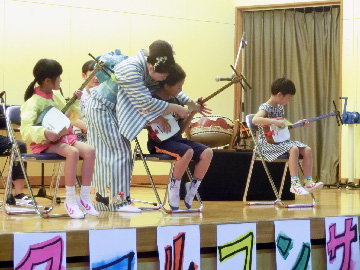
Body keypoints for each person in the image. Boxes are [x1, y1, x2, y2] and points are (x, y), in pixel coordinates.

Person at [86, 40, 190, 212]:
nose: (164, 79)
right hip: (102, 108)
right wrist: (176, 107)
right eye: (162, 76)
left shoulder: (152, 65)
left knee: (108, 156)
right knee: (118, 153)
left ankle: (105, 202)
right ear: (151, 68)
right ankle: (117, 202)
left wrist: (188, 102)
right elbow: (144, 101)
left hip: (110, 109)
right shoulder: (130, 68)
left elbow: (170, 85)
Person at [20, 59, 99, 219]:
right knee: (73, 153)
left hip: (62, 138)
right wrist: (44, 132)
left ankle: (84, 197)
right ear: (47, 80)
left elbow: (68, 117)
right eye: (58, 77)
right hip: (44, 143)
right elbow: (26, 131)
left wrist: (74, 101)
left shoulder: (56, 95)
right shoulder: (32, 102)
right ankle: (70, 200)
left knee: (90, 151)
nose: (61, 80)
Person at [147, 64, 213, 210]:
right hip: (159, 143)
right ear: (166, 85)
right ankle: (174, 186)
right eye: (178, 86)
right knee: (187, 152)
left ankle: (192, 187)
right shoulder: (151, 100)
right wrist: (158, 118)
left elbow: (180, 130)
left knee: (207, 152)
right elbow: (142, 120)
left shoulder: (177, 102)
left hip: (176, 140)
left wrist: (192, 113)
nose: (181, 90)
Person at [252, 77, 323, 195]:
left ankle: (308, 182)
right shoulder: (265, 107)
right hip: (267, 144)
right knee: (293, 149)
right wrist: (273, 121)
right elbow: (255, 119)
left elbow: (283, 128)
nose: (289, 100)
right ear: (280, 94)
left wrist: (298, 124)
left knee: (307, 150)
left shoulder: (280, 107)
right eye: (288, 97)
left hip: (281, 142)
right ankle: (294, 184)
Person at [73, 60, 100, 142]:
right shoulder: (78, 95)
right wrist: (89, 128)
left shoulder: (104, 96)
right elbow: (73, 119)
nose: (96, 78)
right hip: (82, 134)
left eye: (99, 74)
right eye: (93, 74)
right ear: (84, 76)